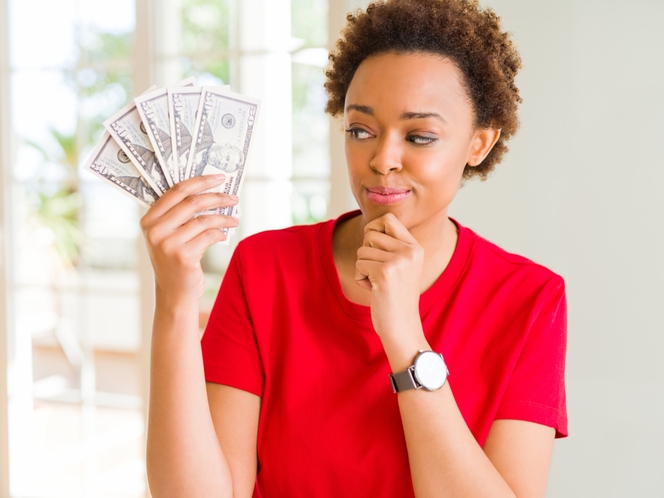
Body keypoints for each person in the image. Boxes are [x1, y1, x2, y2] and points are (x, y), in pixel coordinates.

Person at [140, 0, 567, 496]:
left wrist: (406, 337)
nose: (382, 160)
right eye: (360, 130)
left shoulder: (531, 299)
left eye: (421, 136)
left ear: (479, 143)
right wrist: (174, 301)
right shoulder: (265, 268)